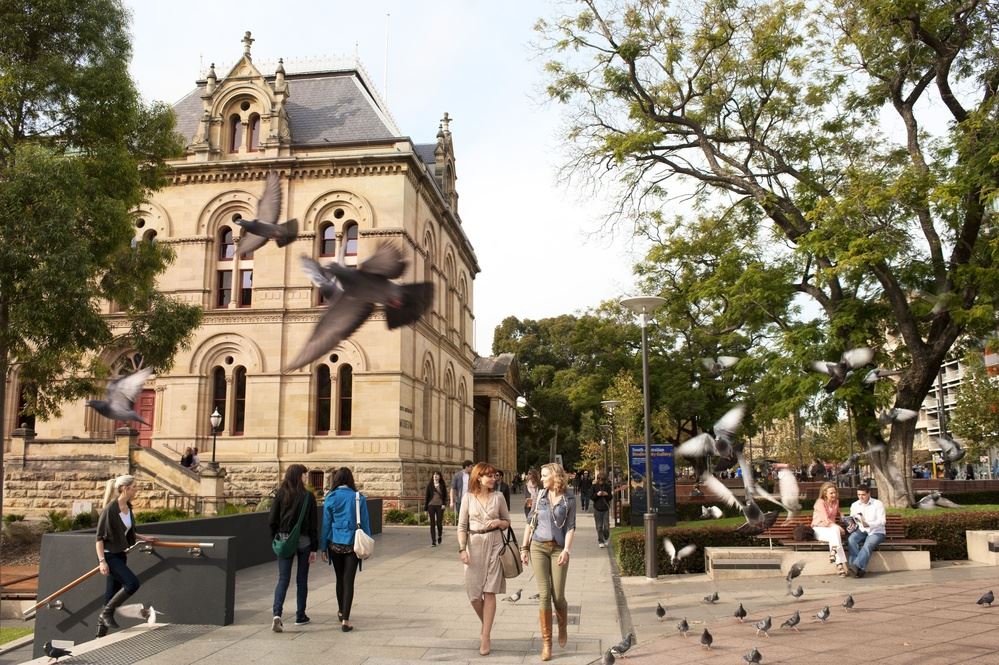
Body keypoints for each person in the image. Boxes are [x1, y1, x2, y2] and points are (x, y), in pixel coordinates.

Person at [520, 463, 576, 661]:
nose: (541, 479)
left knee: (558, 595)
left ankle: (562, 625)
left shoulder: (569, 498)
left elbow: (570, 527)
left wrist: (567, 550)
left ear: (555, 476)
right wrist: (524, 548)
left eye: (545, 476)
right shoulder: (541, 496)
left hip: (559, 549)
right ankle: (547, 643)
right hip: (538, 547)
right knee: (544, 594)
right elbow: (530, 522)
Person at [457, 462, 511, 656]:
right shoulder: (468, 498)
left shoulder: (499, 497)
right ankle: (486, 624)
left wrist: (499, 522)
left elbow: (507, 522)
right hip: (474, 545)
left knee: (490, 592)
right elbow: (462, 526)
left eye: (494, 475)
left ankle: (485, 635)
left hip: (495, 543)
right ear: (478, 477)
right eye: (488, 475)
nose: (493, 478)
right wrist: (462, 549)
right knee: (473, 595)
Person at [95, 475, 157, 637]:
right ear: (125, 488)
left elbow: (127, 530)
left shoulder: (128, 507)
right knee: (132, 583)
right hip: (109, 556)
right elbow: (99, 538)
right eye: (134, 487)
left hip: (121, 554)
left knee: (110, 595)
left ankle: (99, 636)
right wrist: (102, 561)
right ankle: (107, 613)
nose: (137, 489)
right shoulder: (110, 509)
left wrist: (142, 538)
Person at [319, 467, 372, 632]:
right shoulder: (358, 498)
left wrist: (323, 547)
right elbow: (365, 523)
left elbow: (326, 524)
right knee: (349, 581)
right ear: (350, 479)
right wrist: (368, 546)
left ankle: (341, 611)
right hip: (353, 545)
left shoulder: (331, 497)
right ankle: (346, 620)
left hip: (335, 544)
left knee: (339, 579)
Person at [269, 464, 319, 632]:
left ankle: (277, 613)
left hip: (284, 539)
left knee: (283, 578)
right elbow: (313, 524)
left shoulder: (280, 494)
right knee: (301, 579)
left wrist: (275, 538)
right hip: (304, 541)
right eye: (304, 475)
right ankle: (300, 615)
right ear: (299, 476)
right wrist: (314, 548)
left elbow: (272, 521)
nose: (306, 478)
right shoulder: (308, 496)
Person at [847, 482, 886, 578]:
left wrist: (869, 524)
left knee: (868, 544)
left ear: (869, 494)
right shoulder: (854, 505)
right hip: (861, 530)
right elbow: (854, 520)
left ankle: (855, 566)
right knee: (851, 539)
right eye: (859, 495)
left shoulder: (877, 504)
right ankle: (859, 570)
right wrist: (850, 524)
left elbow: (882, 521)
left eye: (863, 495)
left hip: (876, 531)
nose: (861, 497)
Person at [811, 481, 848, 576]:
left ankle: (835, 557)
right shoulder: (820, 503)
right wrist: (838, 527)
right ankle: (839, 564)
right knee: (835, 531)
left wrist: (842, 515)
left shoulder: (836, 502)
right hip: (818, 529)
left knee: (834, 532)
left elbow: (837, 511)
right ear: (825, 493)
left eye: (835, 492)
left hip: (831, 529)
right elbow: (826, 519)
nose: (834, 495)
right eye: (831, 493)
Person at [424, 470, 448, 547]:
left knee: (439, 524)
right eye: (434, 475)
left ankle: (440, 535)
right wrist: (425, 509)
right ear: (433, 476)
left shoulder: (442, 485)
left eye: (437, 475)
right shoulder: (430, 485)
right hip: (431, 505)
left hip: (440, 506)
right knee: (432, 524)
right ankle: (433, 541)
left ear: (440, 477)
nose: (435, 476)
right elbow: (427, 497)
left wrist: (444, 504)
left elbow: (445, 496)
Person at [591, 471, 612, 548]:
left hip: (605, 508)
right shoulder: (594, 486)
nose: (601, 482)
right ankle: (600, 540)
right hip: (597, 508)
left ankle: (606, 537)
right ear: (598, 479)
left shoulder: (607, 486)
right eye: (600, 480)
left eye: (603, 480)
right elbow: (591, 497)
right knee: (599, 526)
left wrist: (606, 494)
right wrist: (597, 494)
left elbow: (610, 497)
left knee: (606, 526)